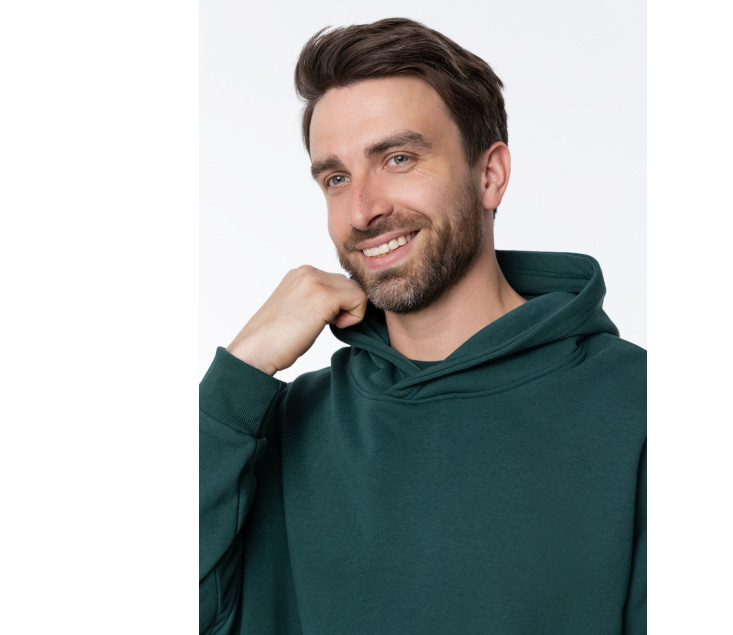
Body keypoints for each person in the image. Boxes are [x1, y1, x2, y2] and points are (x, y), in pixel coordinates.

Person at [200, 17, 645, 634]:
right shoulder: (273, 430)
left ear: (490, 175)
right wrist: (237, 375)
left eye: (398, 158)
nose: (363, 210)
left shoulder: (637, 405)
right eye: (336, 178)